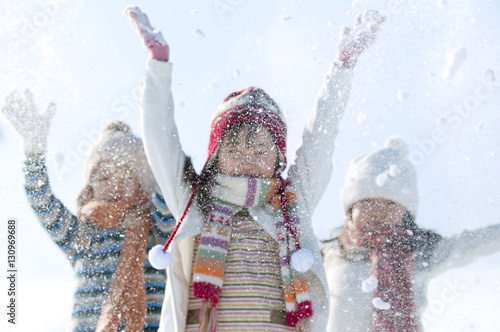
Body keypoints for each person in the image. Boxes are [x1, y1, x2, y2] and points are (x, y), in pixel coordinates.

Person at [126, 6, 384, 332]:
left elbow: (320, 139)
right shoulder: (195, 202)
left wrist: (343, 67)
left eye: (261, 149)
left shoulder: (292, 204)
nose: (248, 156)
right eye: (234, 148)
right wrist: (158, 66)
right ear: (215, 157)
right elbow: (160, 140)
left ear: (279, 160)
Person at [2, 90, 175, 332]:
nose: (114, 185)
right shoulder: (80, 234)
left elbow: (167, 192)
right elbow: (41, 202)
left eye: (126, 176)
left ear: (144, 183)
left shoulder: (156, 229)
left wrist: (158, 156)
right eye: (103, 177)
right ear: (89, 188)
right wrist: (33, 151)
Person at [323, 137, 500, 331]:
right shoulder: (330, 257)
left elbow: (470, 243)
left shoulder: (418, 252)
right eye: (366, 202)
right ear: (350, 210)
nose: (378, 211)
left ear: (405, 214)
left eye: (391, 203)